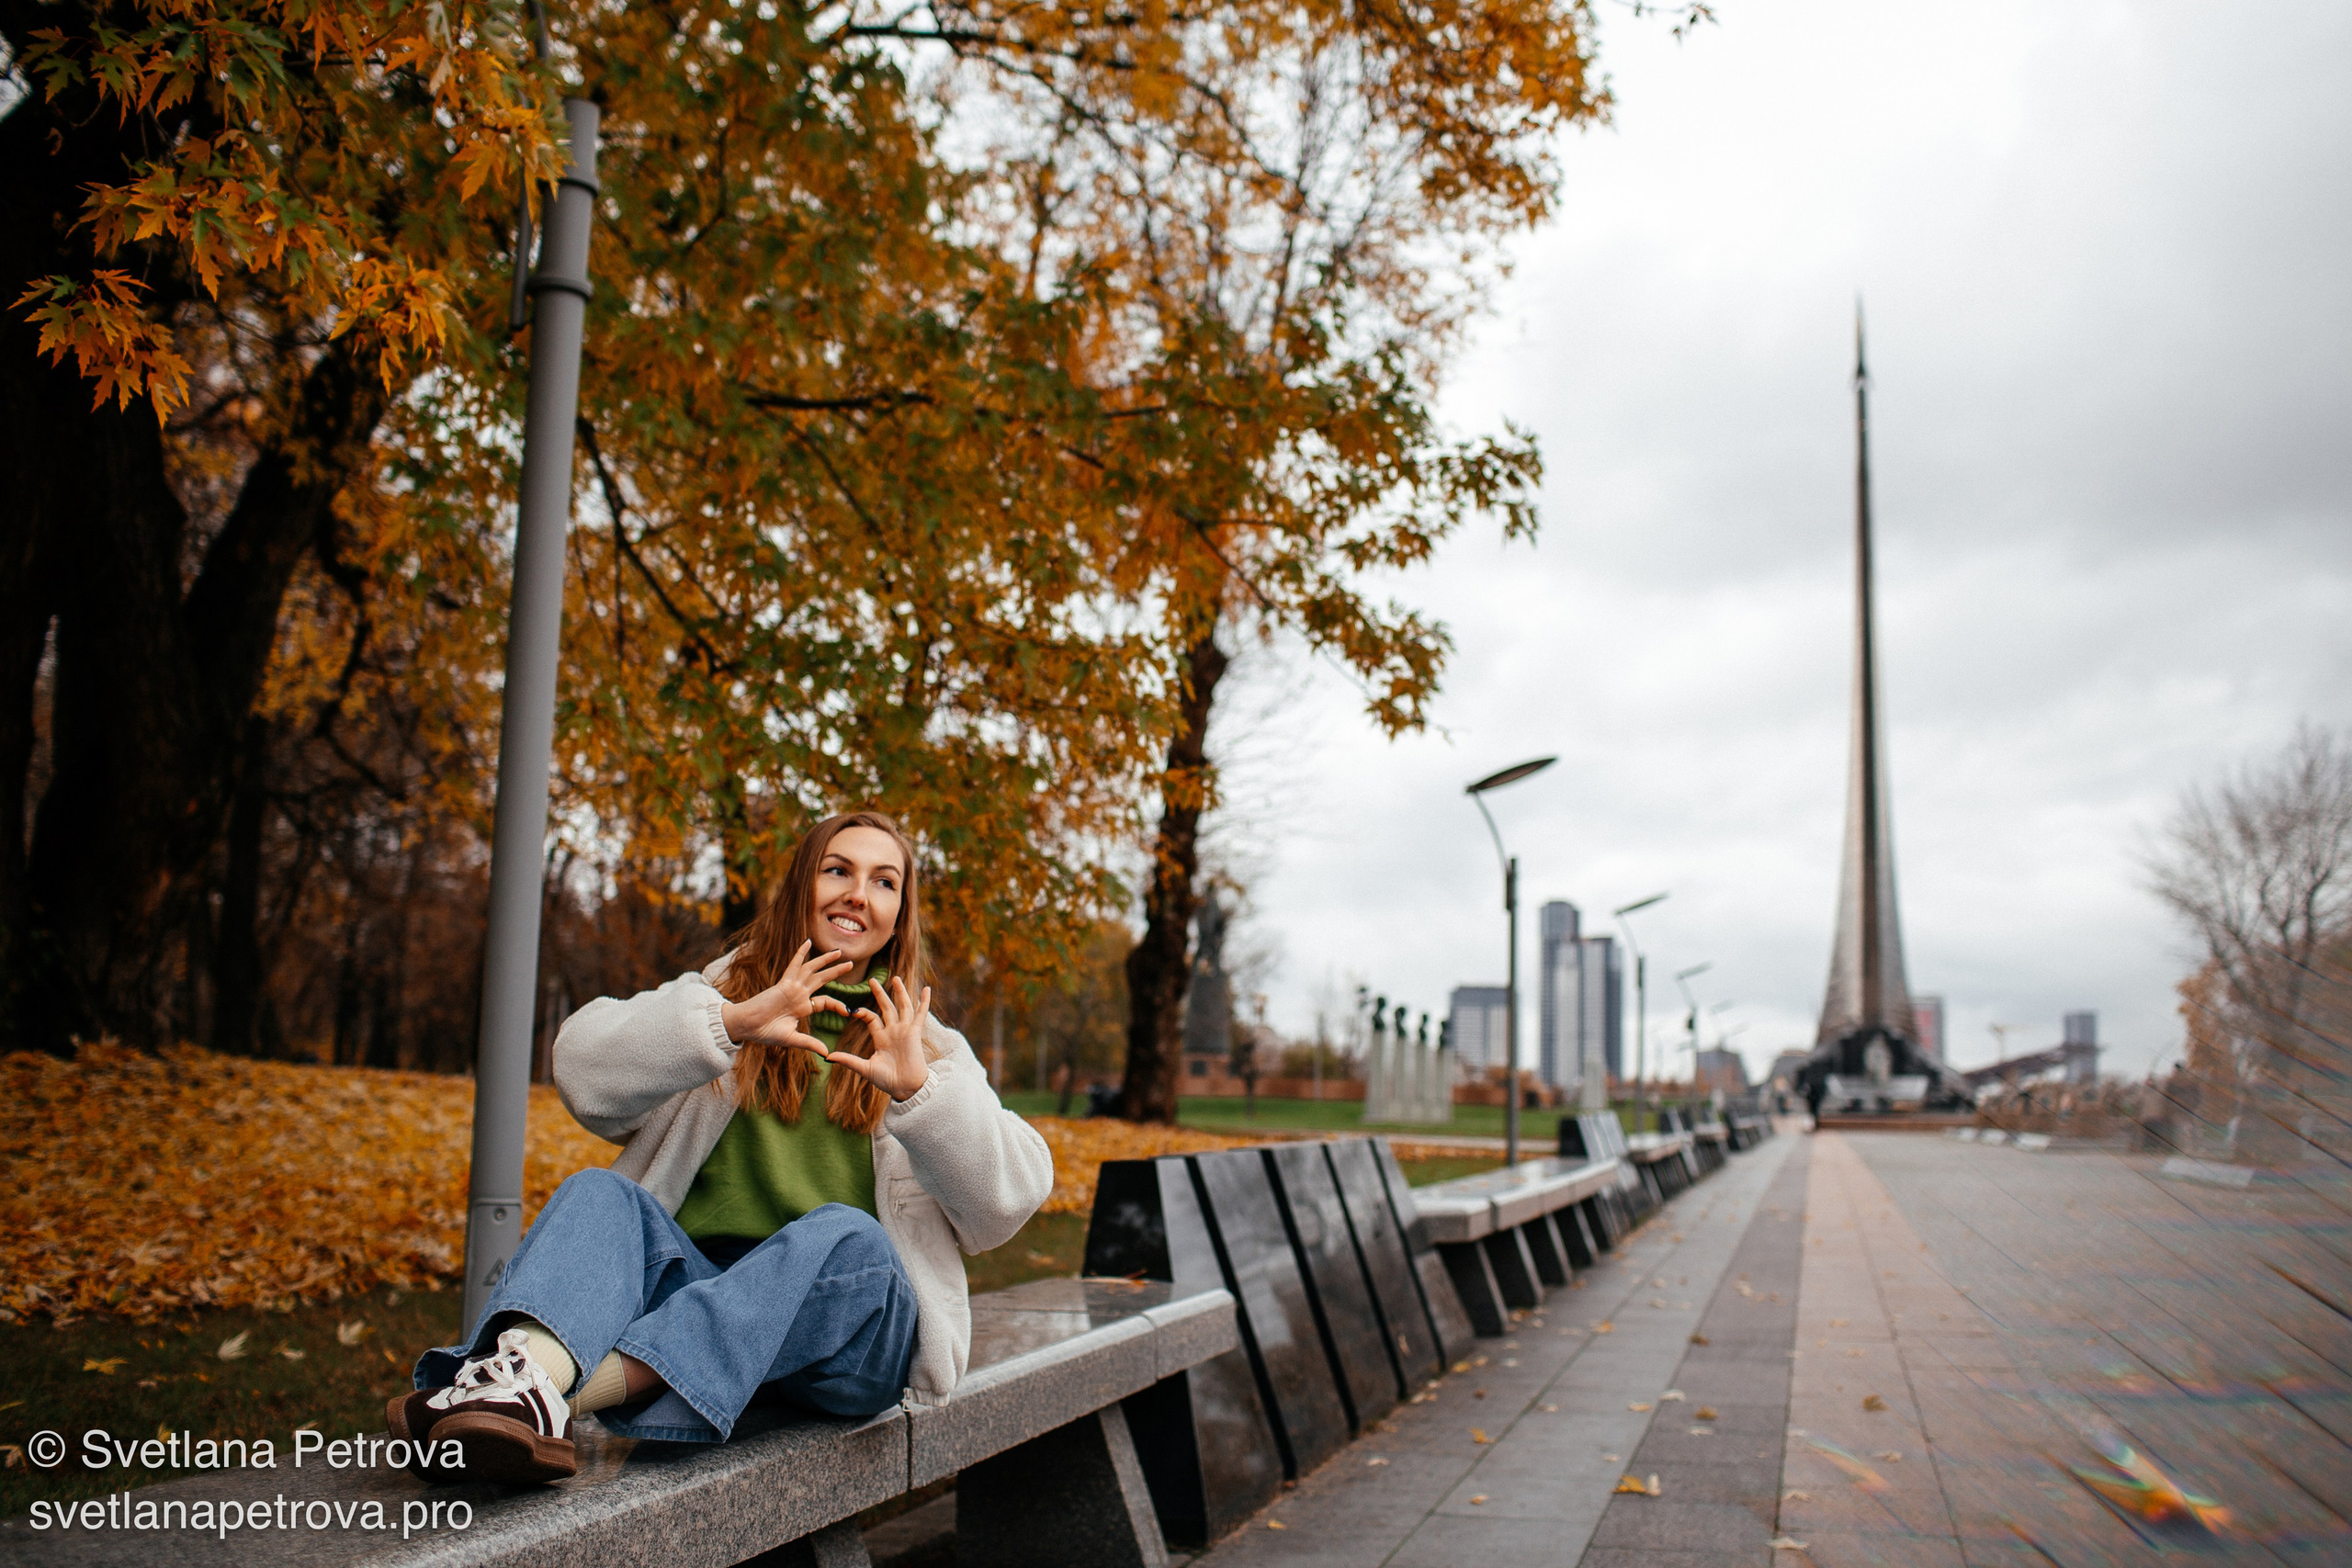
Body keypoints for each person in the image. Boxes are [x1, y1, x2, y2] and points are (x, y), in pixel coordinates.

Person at [388, 811, 1054, 1482]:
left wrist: (917, 1090)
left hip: (850, 1332)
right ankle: (518, 1389)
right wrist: (731, 1024)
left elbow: (1010, 1201)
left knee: (848, 1238)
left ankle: (560, 1397)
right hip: (702, 1289)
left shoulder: (927, 1046)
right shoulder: (725, 998)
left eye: (884, 881)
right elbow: (579, 1069)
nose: (858, 892)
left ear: (898, 912)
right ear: (802, 886)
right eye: (838, 870)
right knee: (601, 1193)